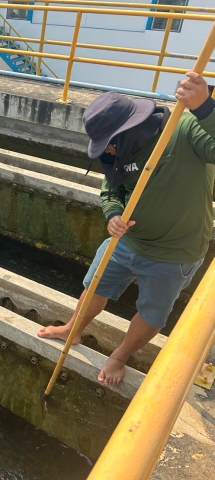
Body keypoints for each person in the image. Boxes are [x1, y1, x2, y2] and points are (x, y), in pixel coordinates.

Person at [38, 71, 215, 386]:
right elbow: (111, 190)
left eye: (109, 145)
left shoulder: (184, 129)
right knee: (95, 285)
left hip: (174, 253)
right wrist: (113, 214)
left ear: (129, 131)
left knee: (153, 312)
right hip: (127, 241)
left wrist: (205, 108)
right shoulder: (116, 154)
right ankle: (73, 329)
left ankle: (120, 356)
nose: (108, 153)